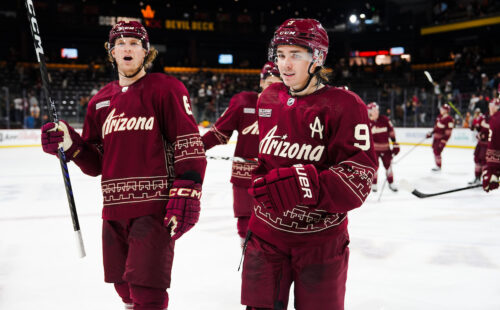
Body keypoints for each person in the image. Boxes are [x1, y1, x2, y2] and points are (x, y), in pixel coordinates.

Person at [40, 21, 206, 310]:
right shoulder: (100, 102)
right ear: (111, 51)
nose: (127, 48)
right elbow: (95, 164)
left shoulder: (166, 88)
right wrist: (68, 144)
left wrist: (188, 190)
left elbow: (188, 142)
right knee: (123, 286)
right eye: (120, 43)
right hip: (114, 209)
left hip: (154, 208)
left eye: (134, 43)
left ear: (146, 52)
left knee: (147, 290)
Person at [242, 18, 377, 310]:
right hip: (267, 234)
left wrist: (302, 184)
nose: (285, 65)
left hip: (321, 240)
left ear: (317, 57)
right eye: (280, 55)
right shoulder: (268, 100)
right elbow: (265, 162)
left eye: (296, 55)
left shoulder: (346, 105)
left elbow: (360, 178)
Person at [201, 62, 281, 245]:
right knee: (246, 228)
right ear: (261, 82)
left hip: (277, 178)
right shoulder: (244, 102)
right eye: (270, 83)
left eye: (280, 84)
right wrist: (195, 147)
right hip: (245, 177)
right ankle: (250, 265)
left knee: (276, 229)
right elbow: (219, 133)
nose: (274, 89)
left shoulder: (292, 108)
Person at [367, 102, 400, 192]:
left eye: (377, 109)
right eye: (374, 110)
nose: (376, 111)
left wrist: (395, 144)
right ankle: (374, 183)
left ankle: (391, 182)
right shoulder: (366, 122)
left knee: (388, 166)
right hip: (373, 150)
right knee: (374, 167)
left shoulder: (384, 119)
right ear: (369, 112)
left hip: (386, 150)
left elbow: (391, 132)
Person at [426, 104, 454, 172]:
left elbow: (448, 132)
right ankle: (437, 165)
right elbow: (436, 127)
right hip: (436, 138)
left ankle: (438, 166)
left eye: (443, 109)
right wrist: (431, 133)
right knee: (435, 151)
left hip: (441, 138)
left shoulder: (449, 119)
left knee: (438, 151)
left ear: (446, 111)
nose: (441, 110)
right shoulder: (439, 117)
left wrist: (444, 141)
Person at [483, 98, 500, 192]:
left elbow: (495, 144)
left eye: (490, 105)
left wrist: (493, 171)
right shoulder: (494, 118)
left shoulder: (496, 119)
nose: (489, 107)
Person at [469, 107, 489, 185]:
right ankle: (477, 178)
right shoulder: (480, 119)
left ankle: (485, 179)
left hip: (487, 144)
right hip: (480, 144)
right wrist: (474, 127)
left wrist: (482, 134)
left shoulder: (488, 118)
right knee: (477, 160)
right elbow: (477, 128)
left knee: (484, 162)